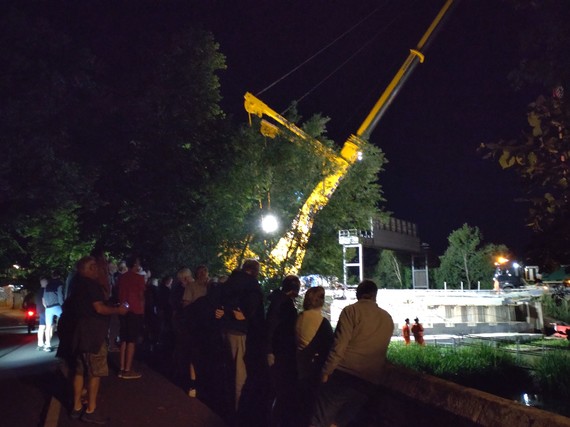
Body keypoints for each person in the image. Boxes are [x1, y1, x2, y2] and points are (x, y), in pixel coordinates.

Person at [310, 279, 394, 427]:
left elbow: (339, 345)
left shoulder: (351, 311)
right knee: (338, 423)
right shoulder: (387, 319)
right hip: (369, 381)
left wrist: (326, 371)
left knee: (320, 420)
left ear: (358, 294)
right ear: (375, 295)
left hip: (344, 375)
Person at [66, 256, 128, 424]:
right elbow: (99, 308)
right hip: (93, 334)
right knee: (95, 372)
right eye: (92, 266)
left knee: (79, 371)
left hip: (78, 333)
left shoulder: (75, 285)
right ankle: (91, 410)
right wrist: (118, 311)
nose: (97, 269)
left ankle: (77, 406)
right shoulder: (91, 285)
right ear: (84, 270)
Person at [216, 259, 265, 415]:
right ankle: (239, 408)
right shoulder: (251, 285)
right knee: (240, 372)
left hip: (225, 328)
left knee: (229, 367)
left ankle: (225, 401)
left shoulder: (230, 281)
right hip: (240, 331)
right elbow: (252, 310)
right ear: (254, 271)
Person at [265, 275, 301, 427]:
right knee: (281, 389)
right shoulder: (285, 305)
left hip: (277, 350)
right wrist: (270, 351)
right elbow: (276, 329)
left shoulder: (277, 301)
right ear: (294, 290)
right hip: (282, 352)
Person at [296, 286, 333, 426]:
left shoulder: (300, 317)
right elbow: (330, 347)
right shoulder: (322, 322)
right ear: (321, 301)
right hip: (313, 369)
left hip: (299, 365)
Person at [117, 255, 146, 379]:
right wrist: (143, 309)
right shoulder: (139, 278)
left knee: (124, 338)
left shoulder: (122, 277)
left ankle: (122, 367)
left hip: (123, 310)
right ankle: (128, 369)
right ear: (135, 264)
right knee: (131, 340)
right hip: (135, 310)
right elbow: (141, 295)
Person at [43, 270, 65, 352]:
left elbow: (44, 297)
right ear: (59, 276)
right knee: (66, 322)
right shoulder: (59, 284)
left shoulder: (47, 285)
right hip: (57, 306)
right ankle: (64, 343)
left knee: (48, 327)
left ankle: (47, 345)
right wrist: (63, 306)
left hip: (48, 308)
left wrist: (46, 307)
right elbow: (60, 296)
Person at [35, 278, 48, 350]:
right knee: (50, 326)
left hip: (39, 310)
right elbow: (44, 300)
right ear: (45, 283)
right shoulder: (45, 290)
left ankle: (40, 343)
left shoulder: (38, 291)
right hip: (45, 310)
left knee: (41, 327)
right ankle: (47, 343)